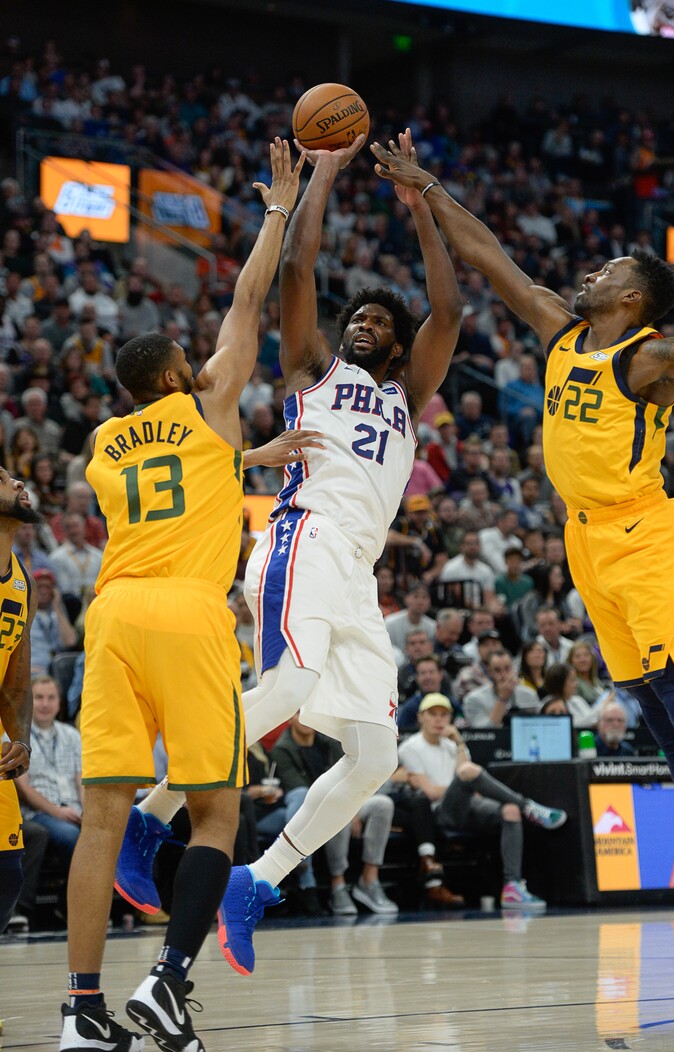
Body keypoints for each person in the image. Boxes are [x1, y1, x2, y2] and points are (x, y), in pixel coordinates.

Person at [123, 128, 462, 976]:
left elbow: (450, 311)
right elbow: (300, 271)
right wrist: (322, 175)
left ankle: (257, 881)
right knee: (291, 685)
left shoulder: (409, 393)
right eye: (358, 317)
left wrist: (420, 208)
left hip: (356, 574)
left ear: (395, 344)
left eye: (378, 321)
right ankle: (150, 813)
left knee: (377, 754)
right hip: (300, 533)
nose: (362, 325)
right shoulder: (314, 366)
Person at [371, 139, 674, 961]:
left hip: (647, 537)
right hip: (586, 542)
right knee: (656, 715)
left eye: (606, 271)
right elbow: (491, 259)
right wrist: (428, 189)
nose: (588, 275)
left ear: (632, 295)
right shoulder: (560, 330)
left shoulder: (648, 355)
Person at [58, 140, 310, 1052]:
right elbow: (246, 301)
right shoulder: (208, 400)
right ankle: (167, 984)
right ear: (177, 377)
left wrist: (245, 459)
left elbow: (180, 480)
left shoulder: (101, 442)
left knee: (102, 815)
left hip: (114, 611)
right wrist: (279, 207)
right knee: (216, 813)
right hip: (189, 613)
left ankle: (82, 1014)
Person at [398, 694, 566, 910]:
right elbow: (431, 792)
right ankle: (529, 807)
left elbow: (467, 779)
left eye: (444, 715)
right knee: (469, 772)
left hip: (467, 805)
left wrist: (459, 744)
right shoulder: (410, 748)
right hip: (439, 813)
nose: (439, 720)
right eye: (433, 714)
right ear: (421, 717)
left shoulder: (452, 746)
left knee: (510, 811)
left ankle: (512, 887)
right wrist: (460, 783)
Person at [0, 467, 38, 935]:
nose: (17, 483)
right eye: (4, 479)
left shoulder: (21, 581)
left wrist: (22, 739)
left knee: (7, 878)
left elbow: (16, 683)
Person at [15, 676, 82, 867]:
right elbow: (24, 790)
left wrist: (87, 813)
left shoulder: (72, 735)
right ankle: (78, 897)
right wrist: (58, 812)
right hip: (39, 813)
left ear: (59, 703)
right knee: (74, 837)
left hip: (74, 809)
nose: (45, 704)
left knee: (105, 836)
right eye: (39, 697)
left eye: (51, 698)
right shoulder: (15, 737)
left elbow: (81, 781)